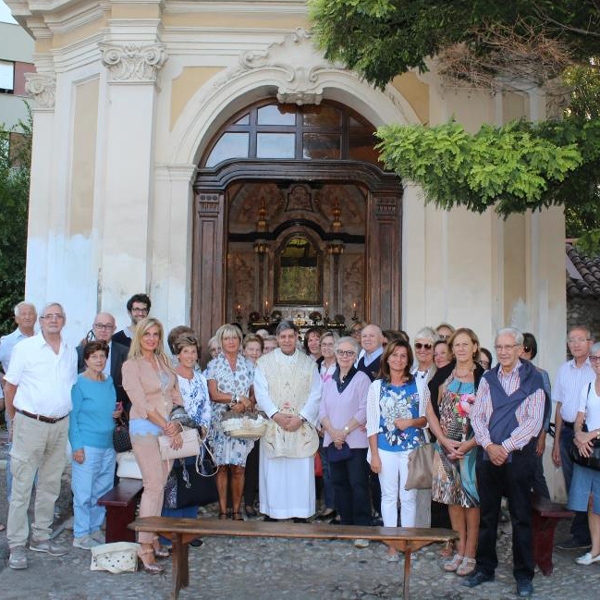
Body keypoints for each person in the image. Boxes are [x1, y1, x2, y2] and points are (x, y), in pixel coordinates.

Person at [465, 328, 545, 598]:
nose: (503, 351)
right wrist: (489, 445)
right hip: (488, 456)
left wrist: (505, 447)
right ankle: (485, 568)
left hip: (519, 459)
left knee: (521, 517)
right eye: (499, 347)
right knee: (488, 516)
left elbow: (532, 423)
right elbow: (478, 416)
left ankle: (523, 575)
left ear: (521, 348)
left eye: (509, 346)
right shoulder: (488, 378)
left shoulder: (535, 379)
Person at [4, 302, 77, 570]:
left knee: (50, 484)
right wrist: (14, 420)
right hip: (30, 423)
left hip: (59, 425)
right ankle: (16, 545)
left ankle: (41, 536)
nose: (54, 320)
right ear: (41, 321)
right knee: (22, 485)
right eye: (49, 317)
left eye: (59, 316)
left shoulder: (69, 351)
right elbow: (10, 385)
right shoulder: (25, 348)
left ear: (64, 320)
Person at [122, 317, 184, 574]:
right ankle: (144, 547)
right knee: (153, 485)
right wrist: (164, 424)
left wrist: (177, 424)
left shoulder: (164, 362)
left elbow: (176, 395)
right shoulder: (130, 365)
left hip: (168, 430)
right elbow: (139, 401)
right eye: (147, 334)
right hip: (145, 429)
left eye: (156, 334)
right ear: (139, 336)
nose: (151, 338)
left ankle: (154, 536)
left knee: (160, 487)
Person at [426, 328, 484, 577]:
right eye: (456, 345)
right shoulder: (443, 373)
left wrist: (468, 444)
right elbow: (429, 409)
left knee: (471, 501)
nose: (460, 349)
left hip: (472, 448)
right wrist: (443, 440)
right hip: (445, 446)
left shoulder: (484, 377)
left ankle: (471, 553)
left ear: (474, 347)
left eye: (465, 344)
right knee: (452, 500)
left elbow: (488, 416)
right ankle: (459, 550)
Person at [366, 339, 429, 560]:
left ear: (408, 359)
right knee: (389, 496)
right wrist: (374, 454)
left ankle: (408, 542)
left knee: (409, 497)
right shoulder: (377, 387)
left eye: (403, 356)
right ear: (387, 358)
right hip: (385, 448)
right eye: (394, 355)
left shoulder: (419, 384)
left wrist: (410, 422)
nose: (398, 360)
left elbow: (425, 420)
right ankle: (392, 543)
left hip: (411, 449)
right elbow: (372, 424)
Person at [254, 320, 322, 520]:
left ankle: (301, 512)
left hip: (299, 425)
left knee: (299, 471)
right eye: (282, 337)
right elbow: (261, 392)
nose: (286, 340)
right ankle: (274, 511)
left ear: (296, 337)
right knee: (275, 470)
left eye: (290, 336)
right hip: (275, 424)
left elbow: (316, 393)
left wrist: (301, 418)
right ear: (277, 338)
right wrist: (275, 414)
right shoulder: (264, 363)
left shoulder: (308, 363)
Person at [69, 341, 121, 550]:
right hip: (87, 445)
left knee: (102, 490)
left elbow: (110, 408)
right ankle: (80, 534)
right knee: (83, 492)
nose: (99, 360)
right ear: (86, 360)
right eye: (94, 357)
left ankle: (95, 528)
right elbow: (73, 418)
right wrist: (77, 447)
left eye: (102, 356)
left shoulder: (108, 381)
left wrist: (116, 413)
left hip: (108, 445)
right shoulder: (78, 383)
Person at [319, 336, 371, 542]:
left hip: (355, 442)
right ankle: (346, 525)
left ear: (356, 356)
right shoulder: (330, 380)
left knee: (358, 485)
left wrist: (344, 431)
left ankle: (362, 530)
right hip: (333, 441)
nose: (345, 356)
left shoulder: (362, 379)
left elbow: (365, 409)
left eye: (350, 353)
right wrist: (332, 432)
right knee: (339, 484)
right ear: (336, 353)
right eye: (341, 352)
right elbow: (322, 409)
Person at [206, 324, 255, 520]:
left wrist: (246, 404)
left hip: (242, 422)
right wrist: (236, 399)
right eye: (226, 339)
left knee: (238, 467)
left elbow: (253, 395)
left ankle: (236, 510)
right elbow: (214, 394)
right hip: (220, 422)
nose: (231, 342)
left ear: (239, 341)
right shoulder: (214, 365)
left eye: (234, 338)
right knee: (222, 466)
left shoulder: (249, 365)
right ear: (221, 341)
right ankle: (222, 509)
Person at [552, 325, 595, 550]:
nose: (576, 344)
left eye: (581, 339)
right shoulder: (564, 370)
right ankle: (581, 533)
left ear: (590, 342)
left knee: (587, 485)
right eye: (572, 340)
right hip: (568, 432)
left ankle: (586, 535)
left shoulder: (595, 369)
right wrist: (557, 442)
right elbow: (559, 405)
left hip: (589, 434)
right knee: (572, 484)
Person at [162, 333, 211, 525]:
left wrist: (204, 427)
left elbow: (206, 406)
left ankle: (189, 529)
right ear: (178, 354)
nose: (190, 356)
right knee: (176, 483)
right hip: (177, 435)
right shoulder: (170, 378)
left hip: (197, 436)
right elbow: (170, 409)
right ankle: (170, 530)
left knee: (194, 481)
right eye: (186, 352)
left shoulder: (200, 378)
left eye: (193, 352)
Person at [0, 301, 37, 516]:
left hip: (40, 406)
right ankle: (15, 505)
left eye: (31, 313)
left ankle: (34, 508)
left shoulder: (44, 340)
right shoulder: (7, 342)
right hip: (16, 405)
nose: (27, 317)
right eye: (23, 314)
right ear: (16, 318)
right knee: (18, 456)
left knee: (40, 458)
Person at [569, 342, 600, 566]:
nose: (597, 362)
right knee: (592, 502)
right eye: (594, 358)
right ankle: (596, 549)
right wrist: (580, 436)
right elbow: (579, 418)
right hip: (590, 451)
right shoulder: (588, 386)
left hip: (593, 442)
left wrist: (592, 434)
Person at [76, 312, 130, 415]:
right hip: (85, 414)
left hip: (115, 415)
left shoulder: (125, 353)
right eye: (100, 325)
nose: (103, 330)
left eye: (108, 326)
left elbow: (131, 386)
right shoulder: (80, 352)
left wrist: (122, 408)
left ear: (114, 328)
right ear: (93, 327)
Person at [521, 332, 552, 499]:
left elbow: (547, 409)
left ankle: (548, 516)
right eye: (519, 348)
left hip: (534, 435)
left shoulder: (541, 374)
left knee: (537, 475)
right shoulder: (506, 374)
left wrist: (542, 436)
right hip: (512, 433)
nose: (522, 352)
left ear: (532, 351)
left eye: (526, 348)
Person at [315, 330, 340, 522]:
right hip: (319, 424)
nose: (326, 348)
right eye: (324, 344)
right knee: (325, 467)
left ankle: (340, 507)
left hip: (337, 425)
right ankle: (330, 505)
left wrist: (330, 425)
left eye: (330, 344)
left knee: (338, 467)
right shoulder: (317, 366)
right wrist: (318, 424)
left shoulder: (343, 367)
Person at [242, 333, 264, 517]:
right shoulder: (240, 368)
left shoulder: (265, 368)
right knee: (243, 463)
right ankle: (243, 502)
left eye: (258, 350)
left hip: (262, 419)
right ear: (244, 351)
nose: (255, 353)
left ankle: (253, 500)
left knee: (256, 463)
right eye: (251, 349)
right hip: (242, 419)